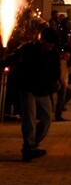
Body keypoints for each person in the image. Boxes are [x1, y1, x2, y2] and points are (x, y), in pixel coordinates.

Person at [1, 27, 61, 162]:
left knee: (46, 119)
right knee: (29, 118)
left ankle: (32, 144)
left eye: (53, 44)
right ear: (42, 40)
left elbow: (55, 70)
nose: (51, 46)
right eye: (49, 43)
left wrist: (56, 81)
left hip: (43, 90)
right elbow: (14, 56)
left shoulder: (53, 53)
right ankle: (29, 147)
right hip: (28, 88)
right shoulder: (28, 48)